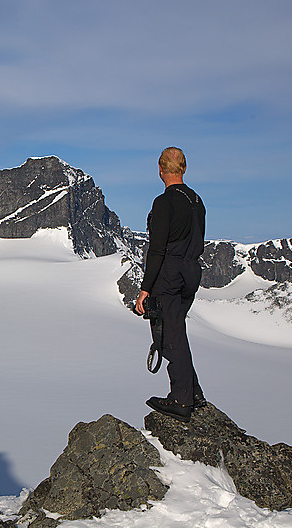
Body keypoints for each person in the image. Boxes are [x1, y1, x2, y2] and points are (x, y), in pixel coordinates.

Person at [135, 147, 206, 422]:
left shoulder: (163, 203)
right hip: (191, 270)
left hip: (170, 272)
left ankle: (181, 400)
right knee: (177, 330)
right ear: (184, 168)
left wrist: (145, 288)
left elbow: (157, 249)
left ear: (160, 169)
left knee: (167, 336)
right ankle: (193, 392)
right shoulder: (197, 201)